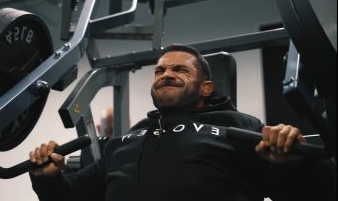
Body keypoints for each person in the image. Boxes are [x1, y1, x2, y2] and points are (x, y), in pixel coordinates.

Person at [29, 44, 332, 201]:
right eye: (159, 71)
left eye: (180, 70)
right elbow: (73, 197)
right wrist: (47, 178)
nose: (166, 74)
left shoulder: (238, 128)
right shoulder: (124, 141)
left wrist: (297, 164)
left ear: (206, 88)